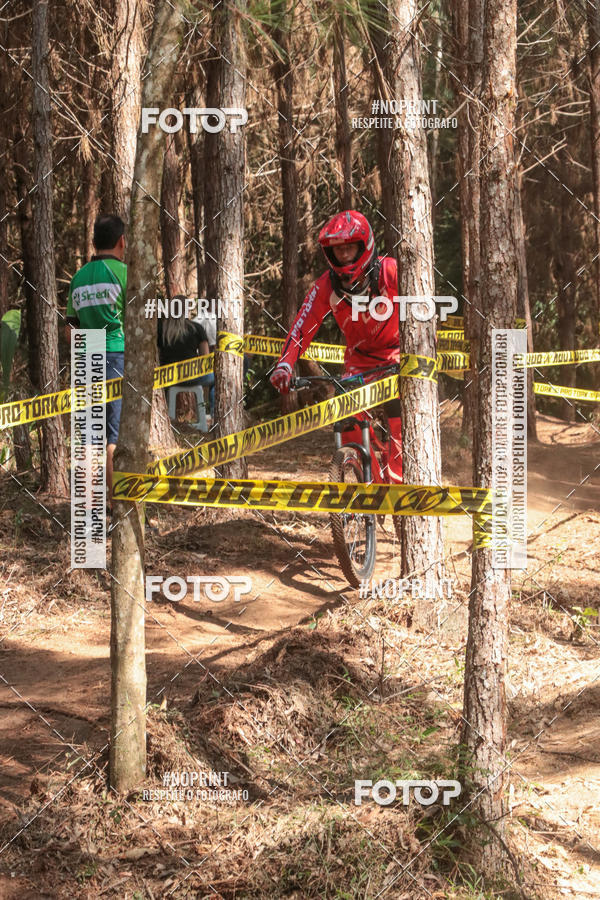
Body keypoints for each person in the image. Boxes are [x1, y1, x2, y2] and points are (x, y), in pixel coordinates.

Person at [270, 209, 403, 482]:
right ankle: (367, 480)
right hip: (359, 362)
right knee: (346, 420)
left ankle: (399, 488)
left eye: (349, 248)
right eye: (338, 250)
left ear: (364, 246)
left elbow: (425, 310)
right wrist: (285, 363)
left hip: (396, 358)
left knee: (400, 429)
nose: (343, 255)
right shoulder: (326, 286)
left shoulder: (391, 271)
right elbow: (301, 327)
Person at [65, 214, 126, 503]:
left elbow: (70, 329)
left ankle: (90, 508)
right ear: (122, 241)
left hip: (87, 354)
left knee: (89, 436)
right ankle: (116, 506)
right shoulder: (124, 274)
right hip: (116, 354)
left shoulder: (78, 278)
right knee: (115, 436)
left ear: (93, 242)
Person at [158, 299, 211, 426]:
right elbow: (206, 358)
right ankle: (212, 415)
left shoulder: (161, 329)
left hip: (168, 378)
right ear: (186, 309)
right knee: (218, 378)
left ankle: (163, 419)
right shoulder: (196, 328)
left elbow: (156, 357)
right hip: (193, 377)